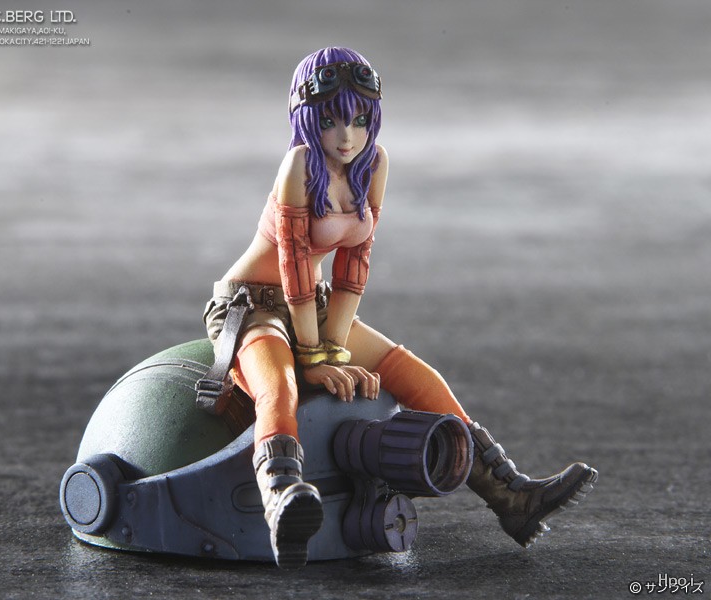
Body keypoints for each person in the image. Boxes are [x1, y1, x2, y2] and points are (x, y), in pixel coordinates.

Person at [202, 47, 597, 569]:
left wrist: (333, 349)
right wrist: (315, 361)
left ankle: (512, 497)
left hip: (316, 303)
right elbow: (293, 267)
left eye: (360, 120)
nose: (347, 136)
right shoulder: (298, 165)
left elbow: (353, 268)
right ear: (306, 119)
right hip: (250, 305)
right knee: (280, 387)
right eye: (331, 120)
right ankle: (283, 500)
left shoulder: (373, 164)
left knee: (414, 374)